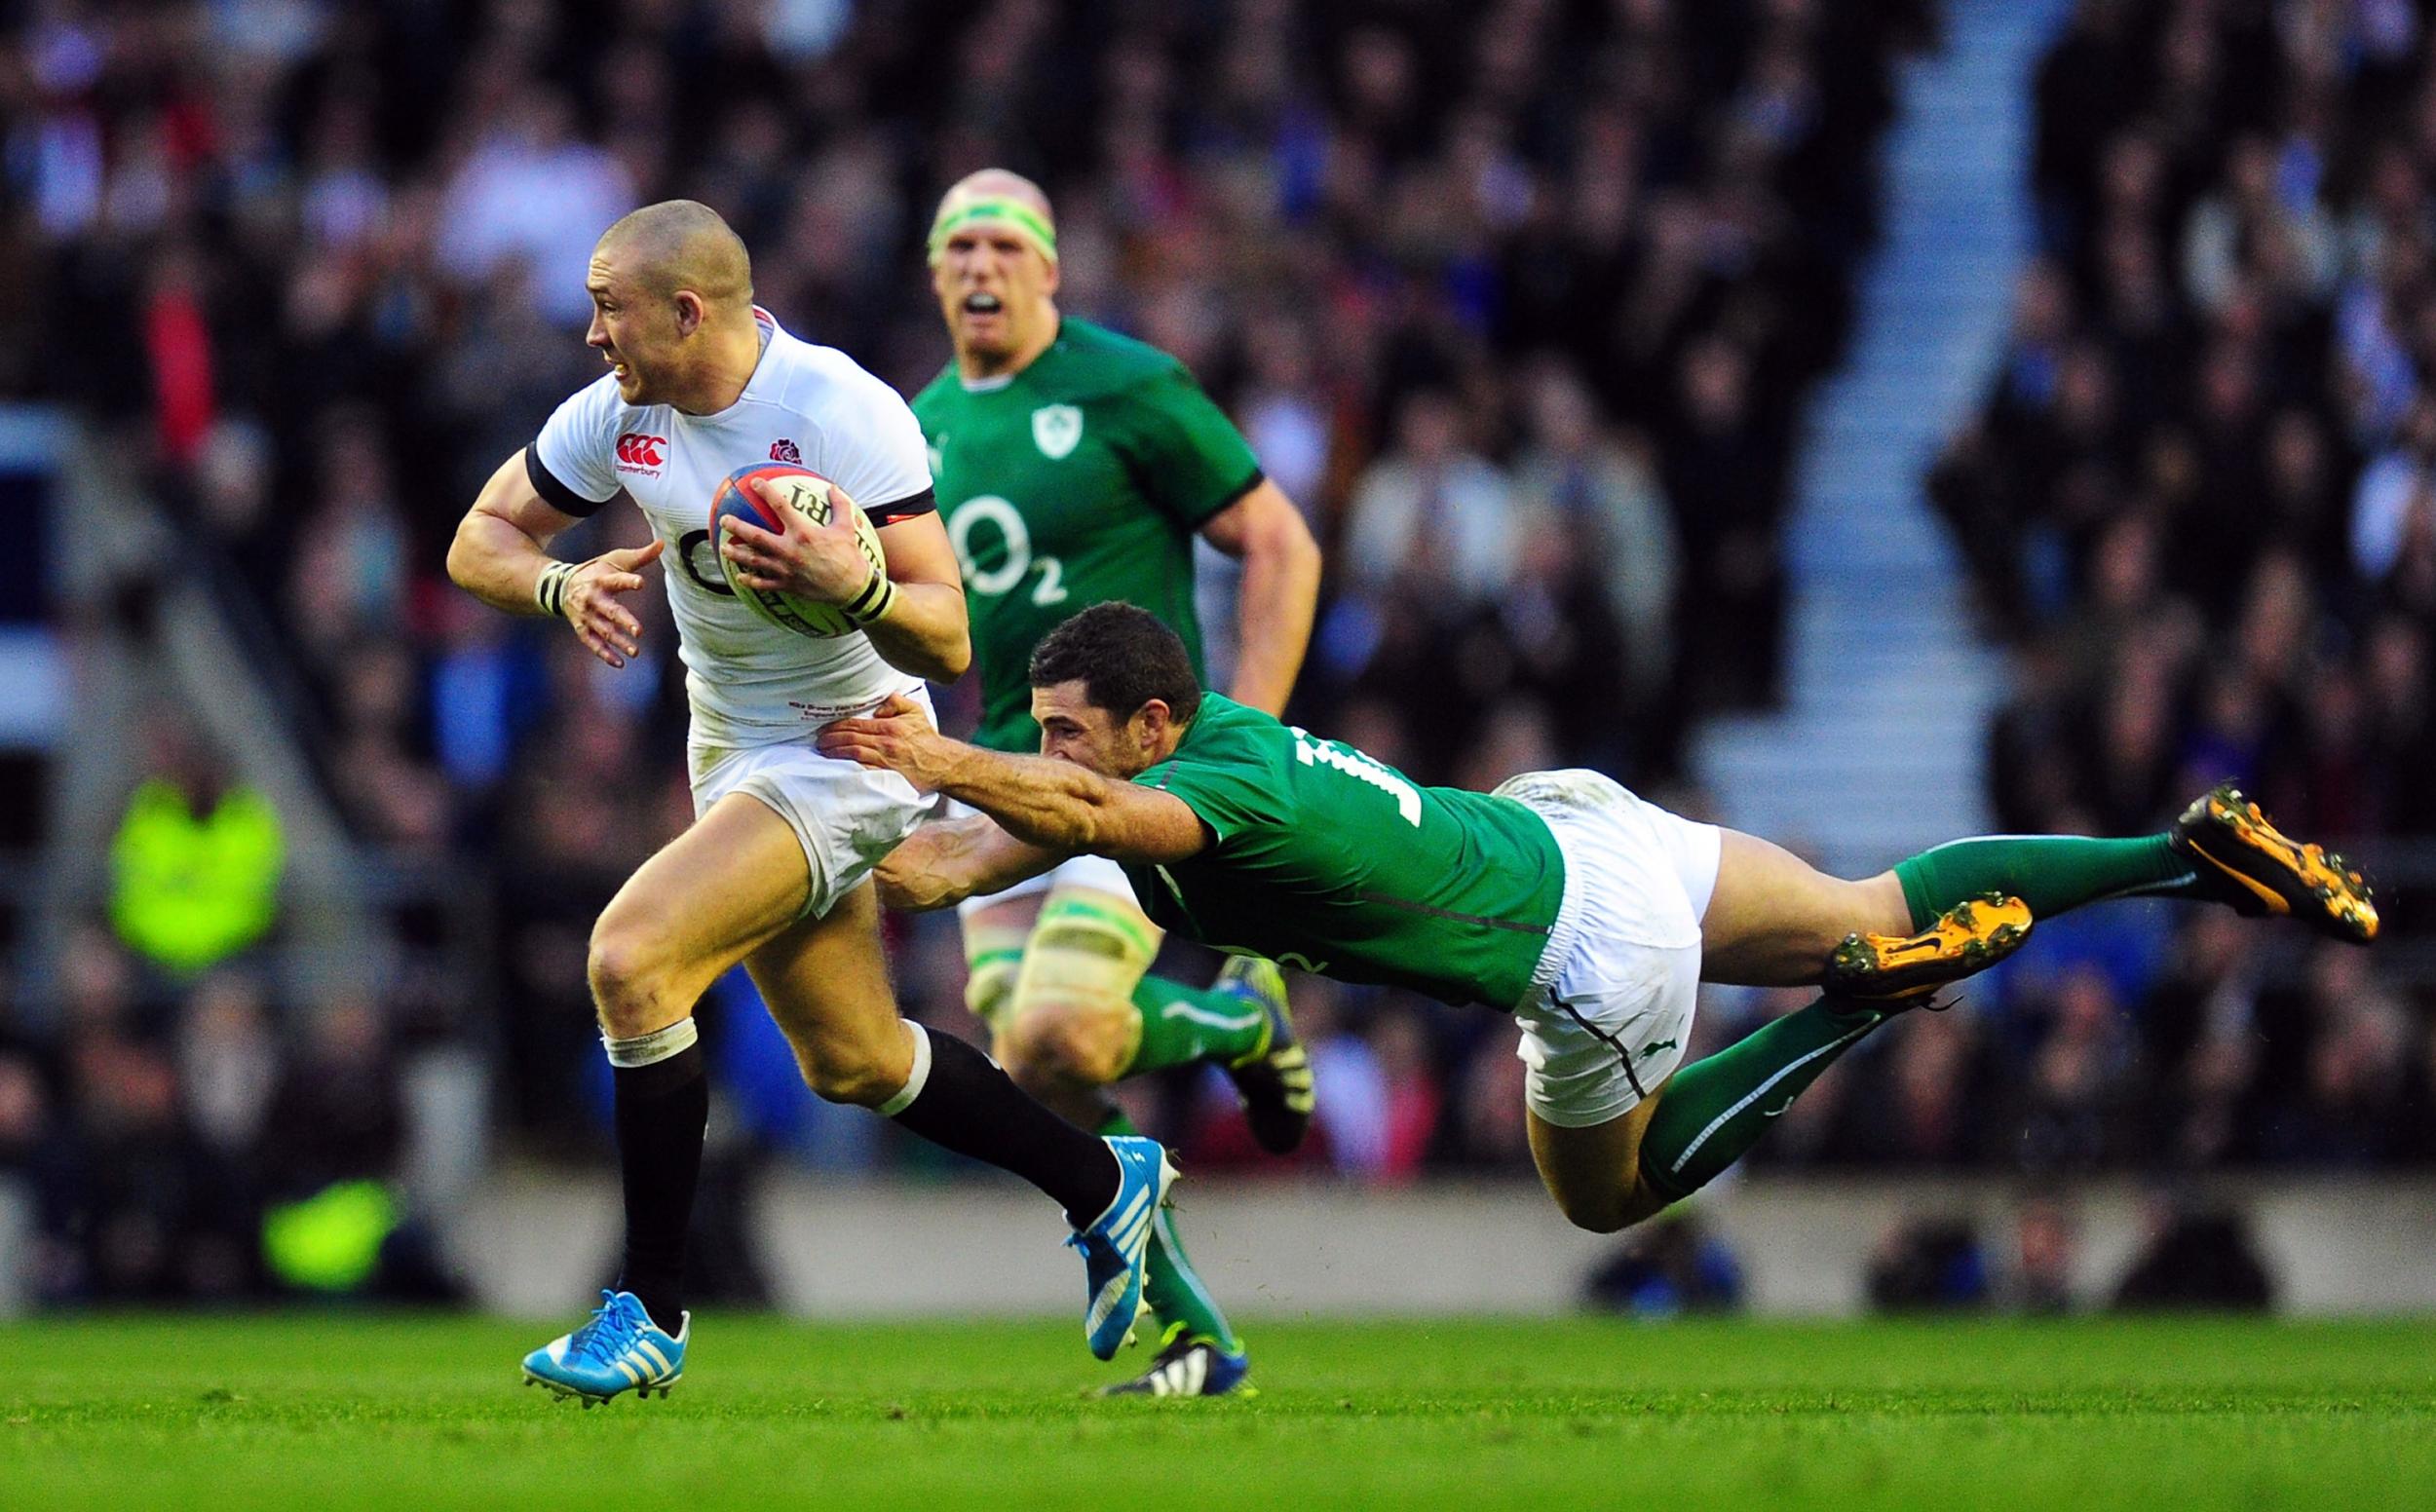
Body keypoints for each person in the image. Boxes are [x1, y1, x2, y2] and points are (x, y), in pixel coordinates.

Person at [818, 603, 2378, 1231]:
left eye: (1070, 729)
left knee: (1607, 1197)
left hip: (1585, 951)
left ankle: (1856, 1007)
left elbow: (1078, 817)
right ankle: (2180, 854)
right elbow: (956, 861)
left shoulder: (1217, 799)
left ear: (1154, 724)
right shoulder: (1198, 743)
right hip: (1579, 827)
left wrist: (933, 752)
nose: (1049, 752)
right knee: (1876, 896)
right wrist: (810, 835)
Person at [445, 202, 1173, 1407]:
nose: (590, 335)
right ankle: (1103, 1181)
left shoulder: (840, 412)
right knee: (856, 1060)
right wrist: (559, 581)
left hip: (857, 748)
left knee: (631, 959)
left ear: (687, 311)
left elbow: (947, 633)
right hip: (729, 749)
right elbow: (478, 538)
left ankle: (651, 1312)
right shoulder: (617, 416)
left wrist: (861, 578)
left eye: (608, 307)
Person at [907, 170, 1323, 1395]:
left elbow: (1279, 541)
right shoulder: (914, 424)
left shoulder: (1127, 385)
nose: (979, 266)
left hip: (1117, 769)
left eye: (1003, 244)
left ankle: (1239, 1019)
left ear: (1047, 269)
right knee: (1035, 1067)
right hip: (997, 777)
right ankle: (1205, 1337)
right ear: (936, 274)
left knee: (1052, 1031)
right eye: (957, 246)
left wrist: (1244, 729)